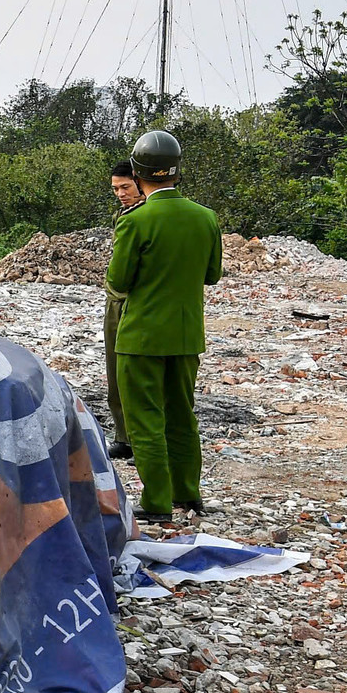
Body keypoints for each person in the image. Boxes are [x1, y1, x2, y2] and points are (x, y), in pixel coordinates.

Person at [105, 130, 221, 525]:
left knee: (145, 419)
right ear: (176, 170)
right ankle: (189, 494)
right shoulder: (206, 218)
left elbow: (120, 281)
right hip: (187, 336)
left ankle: (156, 500)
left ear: (138, 173)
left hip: (141, 336)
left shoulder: (136, 221)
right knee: (182, 415)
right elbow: (212, 275)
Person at [103, 159, 147, 459]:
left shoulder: (147, 217)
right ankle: (123, 435)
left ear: (140, 184)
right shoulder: (124, 215)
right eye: (116, 189)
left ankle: (143, 440)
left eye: (126, 187)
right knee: (115, 370)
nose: (120, 193)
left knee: (138, 374)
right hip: (115, 300)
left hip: (137, 300)